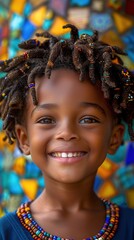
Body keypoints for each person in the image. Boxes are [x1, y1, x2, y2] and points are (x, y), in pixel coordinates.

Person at [0, 24, 134, 240]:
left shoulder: (130, 227)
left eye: (88, 119)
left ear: (115, 137)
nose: (67, 133)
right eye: (46, 120)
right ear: (24, 138)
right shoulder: (5, 233)